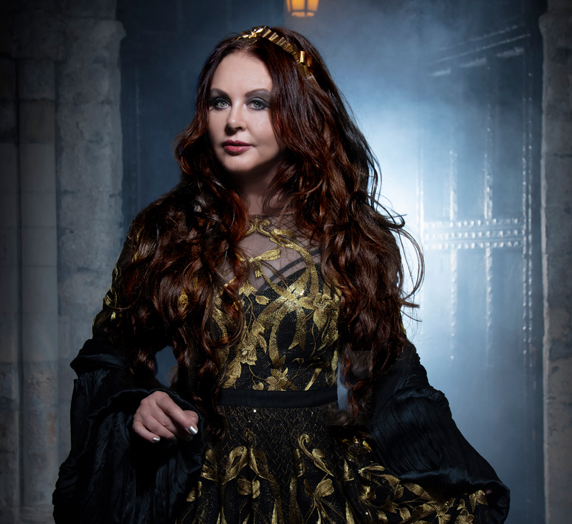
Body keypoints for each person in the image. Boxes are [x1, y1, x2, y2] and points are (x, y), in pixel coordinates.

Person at [53, 26, 509, 524]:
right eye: (219, 102)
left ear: (298, 112)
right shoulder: (169, 229)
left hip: (321, 488)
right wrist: (138, 403)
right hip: (199, 486)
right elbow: (108, 354)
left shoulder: (349, 235)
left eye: (257, 102)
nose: (232, 120)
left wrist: (451, 479)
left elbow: (385, 375)